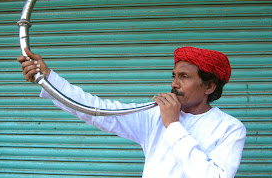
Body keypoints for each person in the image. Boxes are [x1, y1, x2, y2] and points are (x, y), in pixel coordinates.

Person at [18, 46, 246, 178]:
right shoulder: (154, 115)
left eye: (184, 77)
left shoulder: (230, 128)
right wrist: (49, 80)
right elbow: (95, 110)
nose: (174, 84)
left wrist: (173, 126)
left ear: (209, 86)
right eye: (174, 76)